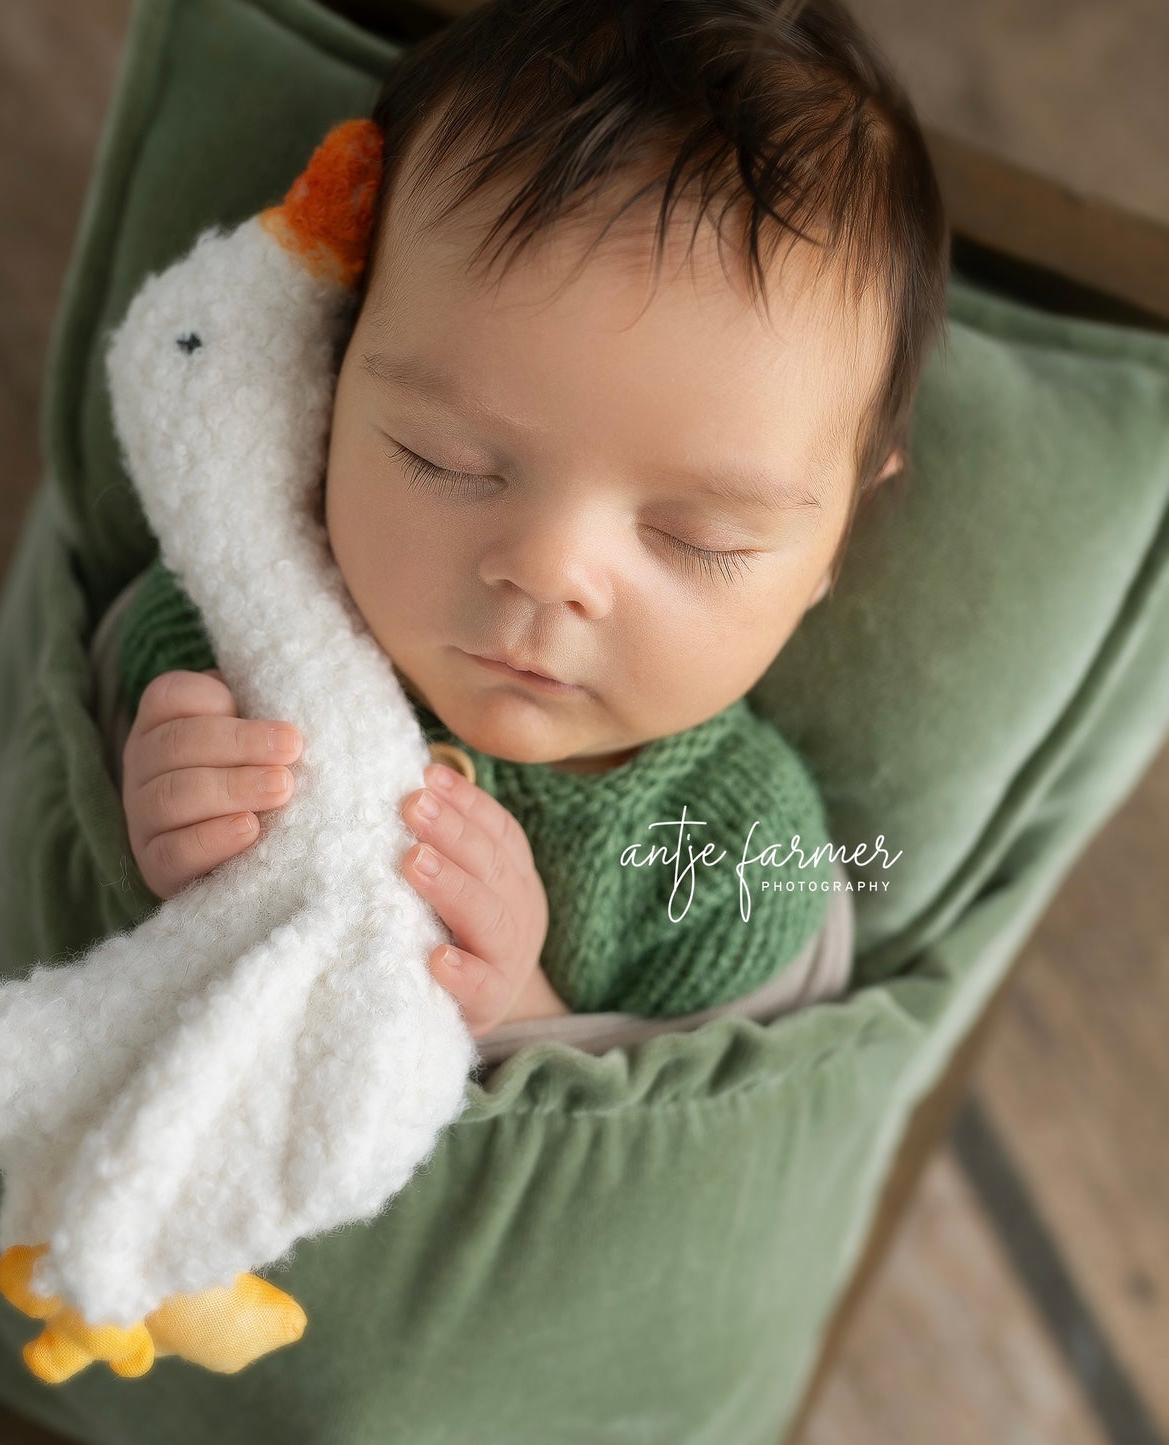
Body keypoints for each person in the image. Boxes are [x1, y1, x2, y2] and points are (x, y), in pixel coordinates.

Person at [98, 0, 949, 1046]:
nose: (549, 571)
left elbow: (715, 1108)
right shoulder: (229, 646)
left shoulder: (736, 858)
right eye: (445, 459)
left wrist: (515, 1006)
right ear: (331, 372)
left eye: (698, 536)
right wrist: (152, 807)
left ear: (835, 541)